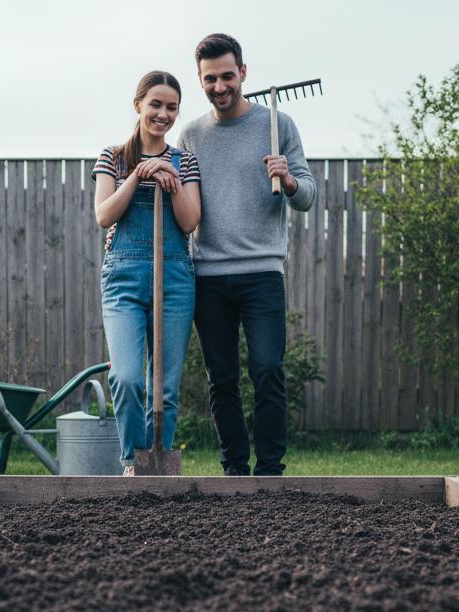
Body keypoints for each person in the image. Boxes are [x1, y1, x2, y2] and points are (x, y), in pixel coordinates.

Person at [179, 33, 316, 477]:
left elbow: (309, 196)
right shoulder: (192, 135)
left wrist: (289, 180)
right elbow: (184, 202)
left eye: (226, 75)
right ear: (200, 80)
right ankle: (235, 471)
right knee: (221, 379)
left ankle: (270, 470)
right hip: (209, 275)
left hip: (262, 272)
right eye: (209, 79)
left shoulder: (278, 124)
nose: (219, 86)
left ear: (243, 72)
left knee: (268, 369)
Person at [93, 71, 202, 476]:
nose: (163, 113)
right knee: (125, 377)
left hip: (174, 276)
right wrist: (140, 174)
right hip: (123, 276)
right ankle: (132, 461)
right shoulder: (113, 157)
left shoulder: (186, 160)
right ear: (137, 104)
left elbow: (190, 224)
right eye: (155, 104)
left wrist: (171, 183)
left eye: (171, 107)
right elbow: (104, 215)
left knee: (165, 388)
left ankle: (159, 461)